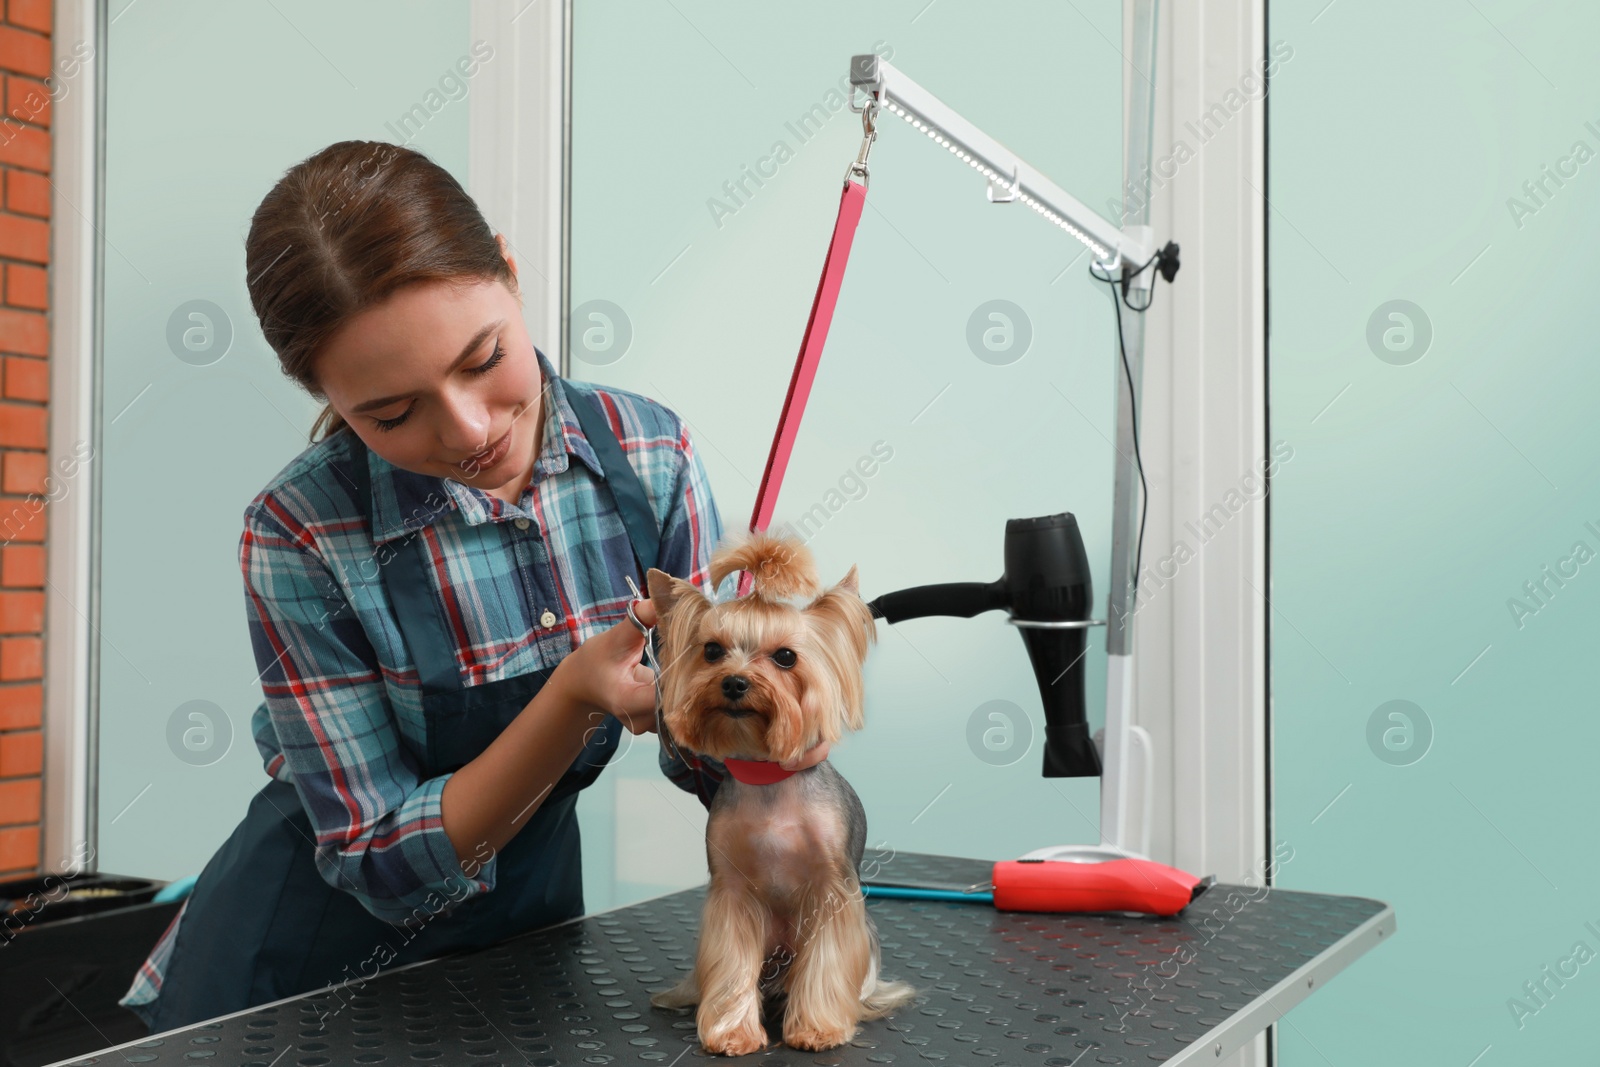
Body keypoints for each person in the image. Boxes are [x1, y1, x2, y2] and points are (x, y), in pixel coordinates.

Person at [117, 140, 830, 1034]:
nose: (467, 427)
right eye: (391, 412)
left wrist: (765, 708)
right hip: (301, 974)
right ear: (326, 395)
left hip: (524, 935)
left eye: (483, 356)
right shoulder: (301, 532)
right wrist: (572, 695)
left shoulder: (649, 456)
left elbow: (700, 754)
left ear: (511, 275)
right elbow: (379, 860)